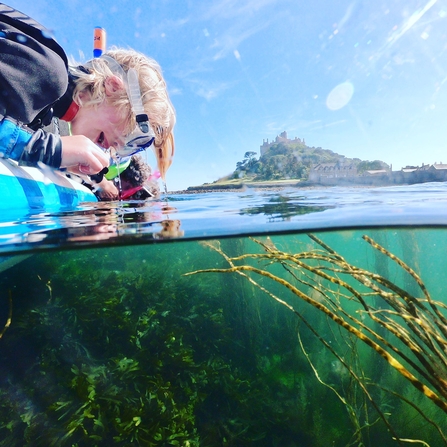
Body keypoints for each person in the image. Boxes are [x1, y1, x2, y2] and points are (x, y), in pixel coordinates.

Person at [0, 3, 175, 180]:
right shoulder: (50, 72)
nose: (118, 145)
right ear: (113, 87)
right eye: (132, 131)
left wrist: (61, 163)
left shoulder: (47, 114)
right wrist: (49, 150)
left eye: (133, 145)